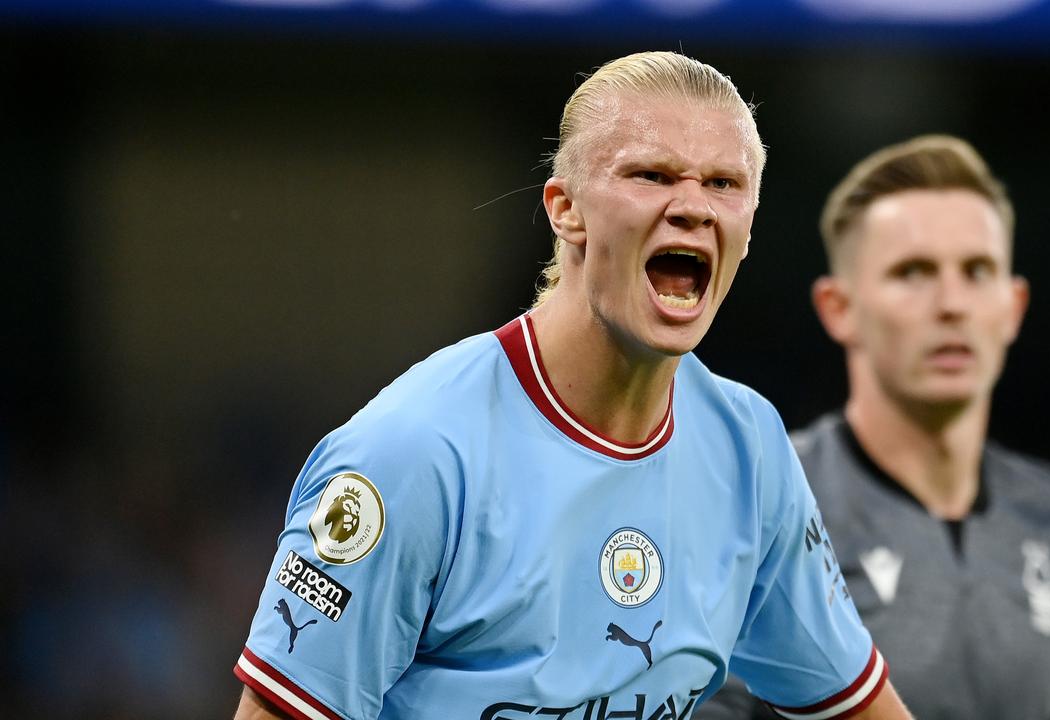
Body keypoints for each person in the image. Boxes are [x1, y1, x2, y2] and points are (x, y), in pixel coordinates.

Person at [230, 52, 913, 720]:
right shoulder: (415, 453)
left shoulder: (749, 448)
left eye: (723, 185)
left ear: (748, 225)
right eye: (651, 175)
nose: (692, 208)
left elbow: (855, 704)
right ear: (565, 210)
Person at [699, 135, 1050, 720]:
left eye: (977, 271)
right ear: (838, 308)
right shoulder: (762, 505)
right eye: (913, 272)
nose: (952, 304)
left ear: (1013, 306)